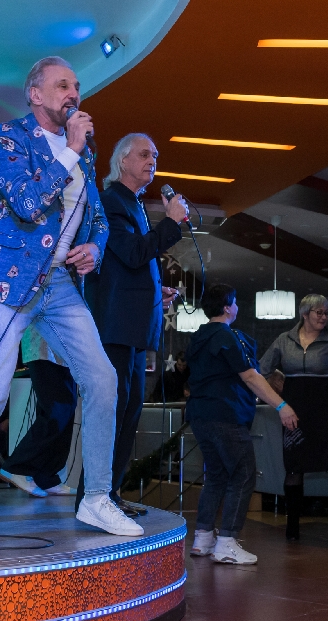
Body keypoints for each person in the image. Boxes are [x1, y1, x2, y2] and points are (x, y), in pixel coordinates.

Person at [0, 56, 141, 545]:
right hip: (9, 281)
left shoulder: (83, 154)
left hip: (60, 284)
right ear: (35, 94)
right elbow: (28, 203)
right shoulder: (9, 138)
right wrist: (70, 149)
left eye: (77, 85)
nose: (74, 93)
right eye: (62, 84)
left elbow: (96, 216)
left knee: (103, 379)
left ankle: (96, 499)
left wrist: (95, 246)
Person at [81, 133, 187, 515]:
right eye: (144, 154)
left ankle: (109, 494)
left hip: (133, 328)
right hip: (115, 326)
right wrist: (170, 223)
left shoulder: (136, 205)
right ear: (122, 160)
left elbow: (133, 265)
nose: (152, 161)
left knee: (129, 413)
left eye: (155, 155)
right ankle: (93, 497)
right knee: (113, 412)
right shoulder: (111, 201)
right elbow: (131, 253)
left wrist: (157, 292)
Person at [187, 284, 297, 564]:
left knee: (216, 475)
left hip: (200, 415)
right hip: (225, 414)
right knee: (244, 474)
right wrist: (281, 405)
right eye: (234, 302)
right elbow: (250, 376)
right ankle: (227, 542)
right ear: (227, 307)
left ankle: (203, 537)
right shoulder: (226, 335)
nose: (237, 307)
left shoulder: (198, 336)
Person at [259, 294, 328, 542]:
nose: (324, 317)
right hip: (295, 411)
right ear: (305, 314)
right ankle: (292, 527)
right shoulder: (284, 340)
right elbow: (261, 370)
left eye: (327, 313)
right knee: (294, 467)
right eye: (319, 313)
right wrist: (275, 395)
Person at [0, 327, 78, 497]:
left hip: (64, 347)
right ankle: (17, 467)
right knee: (57, 410)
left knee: (65, 409)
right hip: (44, 344)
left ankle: (46, 477)